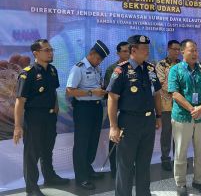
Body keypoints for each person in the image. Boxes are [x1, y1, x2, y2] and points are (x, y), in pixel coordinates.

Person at [107, 35, 162, 196]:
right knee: (125, 165)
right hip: (128, 123)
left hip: (148, 122)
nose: (147, 52)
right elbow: (112, 98)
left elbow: (157, 94)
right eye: (144, 49)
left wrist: (158, 116)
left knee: (144, 164)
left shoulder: (150, 69)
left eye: (147, 49)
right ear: (133, 50)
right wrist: (113, 126)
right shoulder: (121, 70)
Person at [13, 39, 69, 196]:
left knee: (47, 150)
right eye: (47, 50)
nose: (50, 52)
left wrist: (56, 106)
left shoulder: (52, 70)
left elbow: (53, 91)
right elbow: (20, 101)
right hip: (34, 119)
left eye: (51, 50)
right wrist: (17, 126)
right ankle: (31, 188)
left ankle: (50, 177)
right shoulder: (28, 73)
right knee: (32, 154)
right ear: (36, 53)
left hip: (50, 117)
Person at [168, 39, 201, 196]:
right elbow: (174, 93)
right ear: (182, 52)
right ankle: (180, 183)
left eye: (196, 50)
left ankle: (199, 181)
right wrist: (191, 108)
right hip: (182, 117)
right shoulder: (175, 70)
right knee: (181, 152)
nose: (195, 53)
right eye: (191, 50)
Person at [66, 40, 110, 190]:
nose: (99, 62)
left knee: (92, 141)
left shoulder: (97, 68)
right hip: (83, 109)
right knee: (82, 143)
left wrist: (102, 91)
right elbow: (70, 91)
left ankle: (88, 168)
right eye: (98, 58)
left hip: (96, 108)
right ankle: (81, 177)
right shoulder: (78, 68)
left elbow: (97, 87)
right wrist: (91, 92)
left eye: (101, 60)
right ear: (91, 54)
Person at [104, 41, 130, 178]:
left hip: (130, 112)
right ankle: (115, 170)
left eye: (129, 50)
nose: (127, 53)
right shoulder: (113, 69)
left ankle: (127, 169)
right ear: (118, 53)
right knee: (115, 140)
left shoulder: (135, 67)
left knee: (129, 142)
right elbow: (111, 93)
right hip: (118, 110)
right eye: (124, 51)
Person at [155, 40, 181, 171]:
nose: (177, 52)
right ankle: (165, 159)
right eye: (174, 49)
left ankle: (179, 159)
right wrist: (178, 90)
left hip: (180, 105)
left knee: (179, 133)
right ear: (168, 49)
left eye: (179, 49)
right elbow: (161, 83)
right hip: (166, 105)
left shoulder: (182, 64)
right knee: (166, 133)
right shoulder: (161, 65)